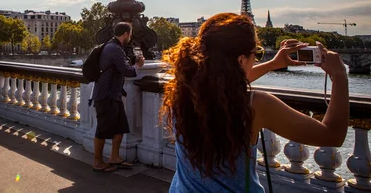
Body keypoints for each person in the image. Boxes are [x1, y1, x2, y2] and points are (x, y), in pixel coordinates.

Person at [162, 13, 349, 192]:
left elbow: (225, 81)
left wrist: (273, 64)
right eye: (256, 54)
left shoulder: (183, 91)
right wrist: (340, 75)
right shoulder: (255, 104)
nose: (257, 57)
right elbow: (332, 135)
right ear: (241, 59)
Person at [92, 21, 145, 173]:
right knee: (103, 129)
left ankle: (114, 157)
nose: (131, 37)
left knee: (120, 127)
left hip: (113, 95)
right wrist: (138, 65)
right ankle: (97, 161)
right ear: (126, 34)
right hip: (105, 95)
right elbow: (128, 71)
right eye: (130, 34)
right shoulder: (114, 49)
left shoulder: (112, 46)